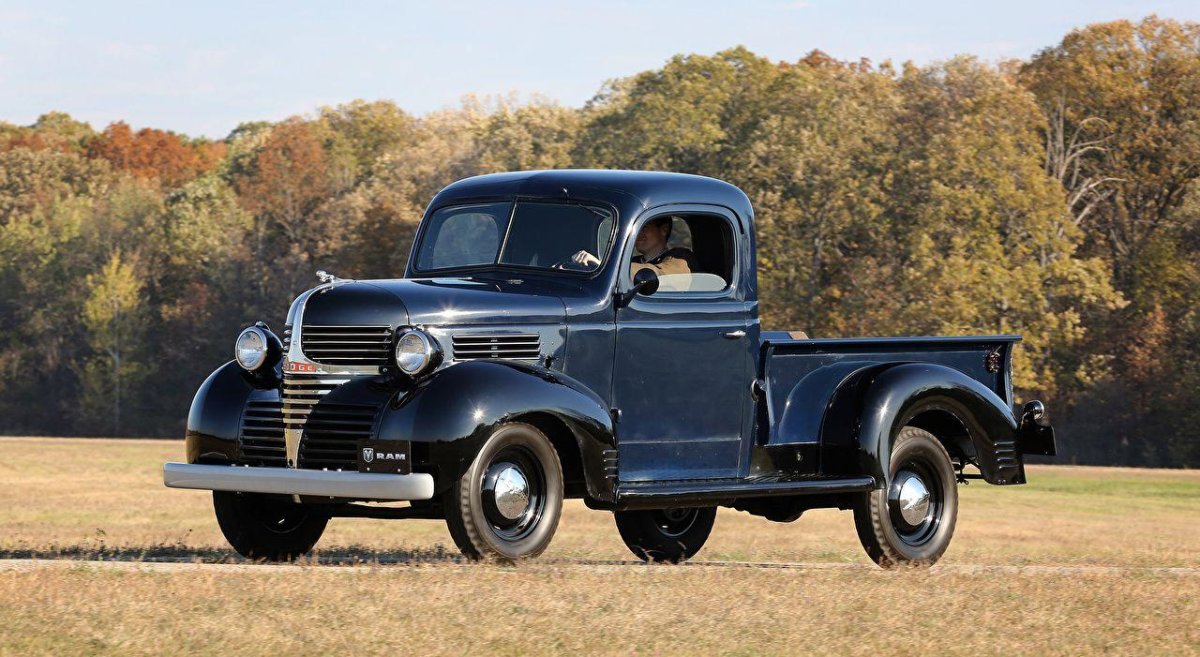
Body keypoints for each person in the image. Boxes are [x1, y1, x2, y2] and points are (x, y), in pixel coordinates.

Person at [570, 216, 696, 276]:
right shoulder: (633, 262)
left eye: (644, 227)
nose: (637, 234)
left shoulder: (680, 257)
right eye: (637, 229)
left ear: (663, 230)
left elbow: (663, 274)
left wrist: (603, 265)